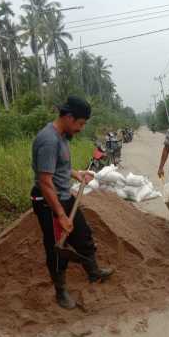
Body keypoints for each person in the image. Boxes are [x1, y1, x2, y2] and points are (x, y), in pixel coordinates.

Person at [31, 96, 114, 310]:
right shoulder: (49, 140)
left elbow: (59, 167)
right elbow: (45, 182)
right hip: (48, 202)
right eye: (80, 123)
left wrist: (76, 174)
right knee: (57, 248)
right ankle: (61, 292)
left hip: (63, 195)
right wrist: (60, 215)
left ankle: (94, 272)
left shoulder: (63, 136)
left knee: (83, 234)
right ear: (68, 117)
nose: (81, 128)